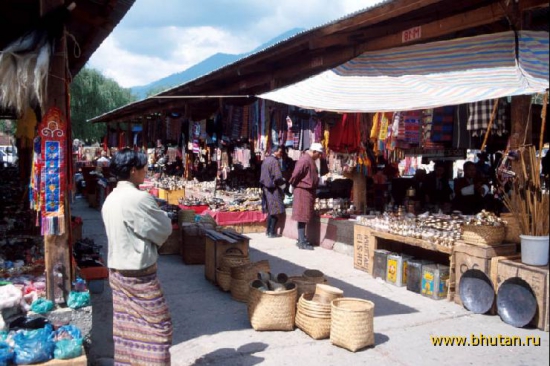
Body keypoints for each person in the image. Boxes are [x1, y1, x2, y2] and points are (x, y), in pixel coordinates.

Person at [101, 148, 173, 365]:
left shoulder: (111, 198)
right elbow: (164, 228)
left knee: (127, 335)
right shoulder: (138, 198)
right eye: (144, 168)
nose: (146, 172)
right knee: (159, 330)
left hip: (118, 274)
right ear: (133, 170)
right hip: (139, 276)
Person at [289, 143, 323, 250]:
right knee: (302, 215)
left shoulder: (309, 160)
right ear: (314, 151)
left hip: (307, 191)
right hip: (303, 191)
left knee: (304, 215)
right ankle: (301, 241)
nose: (319, 156)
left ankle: (302, 239)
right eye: (319, 154)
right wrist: (292, 184)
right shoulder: (305, 160)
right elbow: (296, 174)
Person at [260, 146, 286, 238]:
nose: (281, 153)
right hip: (272, 189)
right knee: (276, 210)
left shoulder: (266, 160)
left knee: (271, 211)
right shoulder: (275, 161)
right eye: (280, 151)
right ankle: (271, 232)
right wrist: (283, 186)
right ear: (275, 152)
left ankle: (268, 231)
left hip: (266, 189)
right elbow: (278, 177)